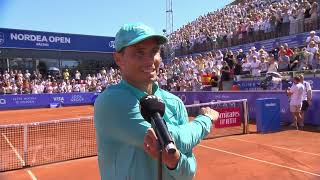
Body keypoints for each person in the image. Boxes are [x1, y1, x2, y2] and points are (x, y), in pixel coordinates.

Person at [94, 23, 219, 180]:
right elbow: (168, 138)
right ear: (118, 59)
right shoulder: (111, 101)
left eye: (154, 52)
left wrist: (174, 162)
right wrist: (205, 120)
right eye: (139, 53)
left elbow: (188, 172)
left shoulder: (175, 103)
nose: (150, 60)